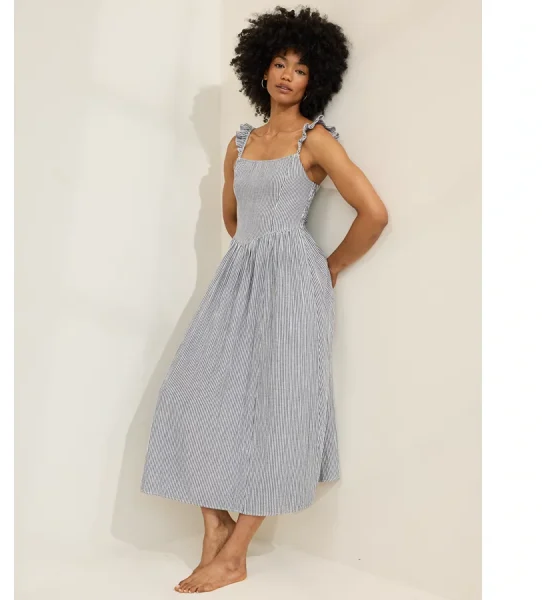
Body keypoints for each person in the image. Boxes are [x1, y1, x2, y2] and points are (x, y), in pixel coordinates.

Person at [141, 6, 388, 594]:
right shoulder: (241, 142)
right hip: (239, 279)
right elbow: (233, 218)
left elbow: (375, 214)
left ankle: (235, 555)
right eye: (280, 63)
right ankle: (215, 527)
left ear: (313, 81)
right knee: (189, 391)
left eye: (300, 69)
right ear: (262, 69)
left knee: (281, 409)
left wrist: (328, 267)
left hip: (295, 285)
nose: (287, 75)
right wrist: (254, 254)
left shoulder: (316, 140)